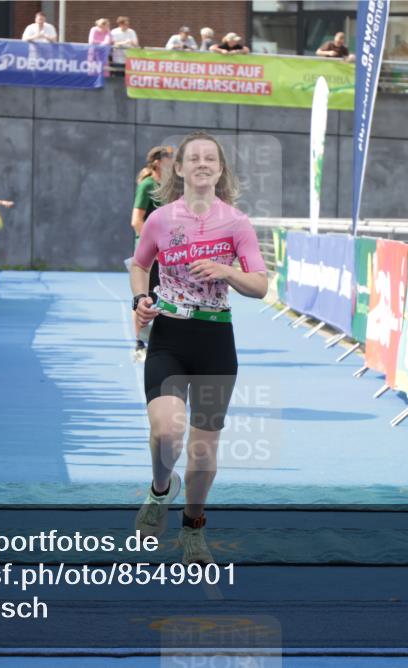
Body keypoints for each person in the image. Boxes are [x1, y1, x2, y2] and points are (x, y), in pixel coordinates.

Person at [129, 132, 268, 565]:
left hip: (215, 342)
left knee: (203, 452)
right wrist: (140, 299)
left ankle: (193, 526)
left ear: (220, 170)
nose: (203, 164)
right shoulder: (161, 219)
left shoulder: (238, 223)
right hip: (169, 337)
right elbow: (139, 264)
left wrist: (226, 270)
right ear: (181, 169)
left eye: (211, 158)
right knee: (167, 431)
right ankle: (158, 489)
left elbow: (260, 286)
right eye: (195, 158)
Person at [130, 146, 173, 361]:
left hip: (165, 253)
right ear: (157, 162)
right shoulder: (147, 185)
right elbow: (136, 221)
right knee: (142, 297)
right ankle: (139, 344)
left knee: (161, 298)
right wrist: (151, 247)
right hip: (148, 254)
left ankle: (157, 341)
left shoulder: (167, 187)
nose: (172, 161)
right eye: (168, 157)